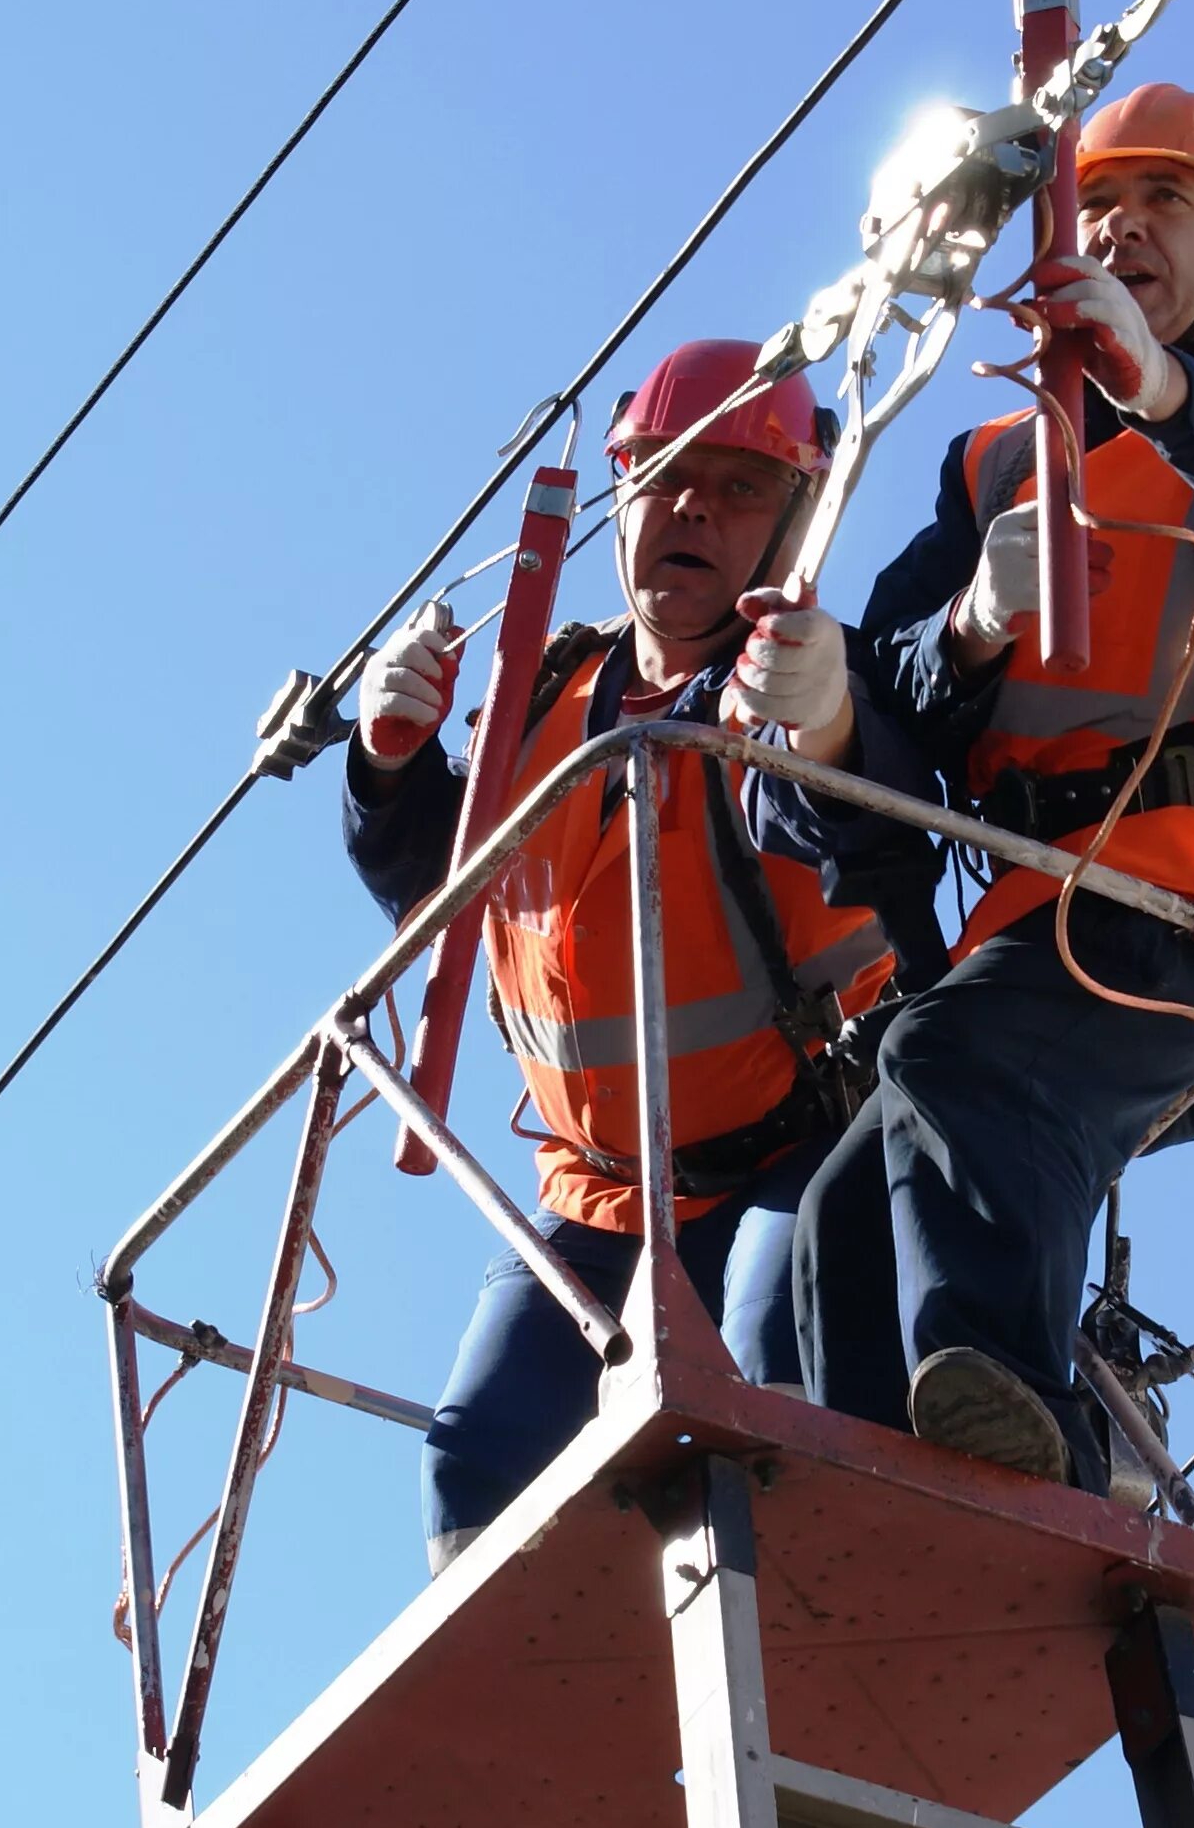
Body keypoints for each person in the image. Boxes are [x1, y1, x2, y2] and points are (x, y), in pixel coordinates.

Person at [794, 83, 1194, 1487]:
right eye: (1102, 203)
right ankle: (868, 1491)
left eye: (1168, 204)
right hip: (1043, 920)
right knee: (840, 1213)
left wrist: (1164, 388)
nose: (1126, 228)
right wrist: (937, 644)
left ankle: (1026, 1437)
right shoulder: (994, 470)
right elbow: (888, 700)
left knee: (958, 1059)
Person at [344, 340, 928, 1570]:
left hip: (797, 1151)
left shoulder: (802, 679)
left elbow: (868, 814)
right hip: (603, 1190)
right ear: (620, 496)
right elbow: (431, 885)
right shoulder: (548, 691)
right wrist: (390, 762)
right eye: (666, 477)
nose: (694, 510)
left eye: (740, 488)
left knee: (781, 1352)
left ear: (795, 521)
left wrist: (821, 715)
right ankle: (532, 1730)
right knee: (474, 1458)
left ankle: (806, 1655)